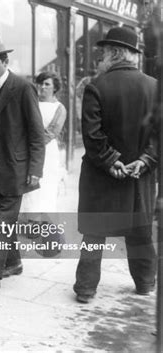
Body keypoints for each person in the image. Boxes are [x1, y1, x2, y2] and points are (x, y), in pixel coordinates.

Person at [73, 27, 158, 304]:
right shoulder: (155, 87)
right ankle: (145, 284)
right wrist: (144, 161)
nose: (103, 57)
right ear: (132, 55)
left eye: (105, 52)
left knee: (95, 234)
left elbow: (92, 136)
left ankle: (86, 289)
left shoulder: (96, 86)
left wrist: (112, 161)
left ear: (114, 53)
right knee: (140, 232)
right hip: (138, 178)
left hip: (102, 178)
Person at [0, 35, 45, 294]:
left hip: (15, 171)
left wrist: (35, 170)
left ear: (5, 61)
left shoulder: (22, 88)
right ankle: (13, 262)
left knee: (2, 224)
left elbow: (37, 133)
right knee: (2, 222)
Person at [21, 71, 66, 218]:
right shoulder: (31, 103)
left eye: (47, 84)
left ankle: (44, 221)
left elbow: (52, 132)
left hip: (47, 152)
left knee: (46, 185)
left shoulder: (59, 108)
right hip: (28, 149)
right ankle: (31, 221)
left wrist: (34, 143)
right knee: (30, 186)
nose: (42, 87)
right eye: (40, 83)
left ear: (55, 88)